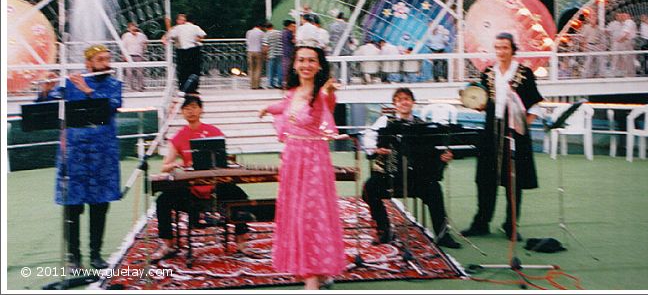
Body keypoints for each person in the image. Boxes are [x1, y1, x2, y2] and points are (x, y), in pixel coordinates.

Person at [258, 44, 345, 290]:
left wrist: (328, 91)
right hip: (293, 158)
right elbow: (283, 107)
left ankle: (313, 274)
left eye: (311, 61)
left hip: (314, 159)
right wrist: (266, 109)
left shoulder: (323, 93)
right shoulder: (293, 92)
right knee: (296, 212)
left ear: (319, 66)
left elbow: (322, 109)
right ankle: (311, 268)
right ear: (295, 65)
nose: (306, 65)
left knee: (313, 213)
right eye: (302, 60)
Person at [460, 33, 543, 242]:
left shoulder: (524, 73)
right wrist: (476, 103)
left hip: (515, 132)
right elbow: (483, 102)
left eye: (505, 47)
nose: (501, 51)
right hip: (491, 132)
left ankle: (511, 225)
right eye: (497, 47)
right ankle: (481, 223)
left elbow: (534, 105)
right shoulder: (488, 73)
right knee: (485, 179)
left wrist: (524, 127)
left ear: (513, 49)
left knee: (513, 180)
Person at [360, 88, 462, 249]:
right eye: (399, 99)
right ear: (395, 104)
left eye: (407, 99)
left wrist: (443, 157)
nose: (404, 102)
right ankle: (384, 230)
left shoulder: (423, 125)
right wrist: (376, 149)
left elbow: (435, 152)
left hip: (416, 177)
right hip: (389, 175)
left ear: (413, 103)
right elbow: (368, 137)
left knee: (434, 189)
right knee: (369, 188)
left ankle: (443, 235)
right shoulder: (385, 121)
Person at [152, 95, 249, 261]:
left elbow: (224, 160)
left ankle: (241, 244)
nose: (191, 111)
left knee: (240, 196)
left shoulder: (213, 131)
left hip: (215, 187)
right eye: (187, 108)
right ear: (182, 112)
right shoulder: (179, 137)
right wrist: (177, 165)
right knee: (163, 200)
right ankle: (168, 244)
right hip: (190, 190)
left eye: (194, 107)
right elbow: (165, 166)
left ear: (201, 110)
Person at [56, 44, 122, 270]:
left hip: (102, 155)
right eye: (100, 60)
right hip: (75, 155)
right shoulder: (71, 83)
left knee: (99, 204)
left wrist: (88, 90)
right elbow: (47, 101)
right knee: (73, 205)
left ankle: (95, 254)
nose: (106, 63)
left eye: (107, 59)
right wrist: (45, 89)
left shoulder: (114, 85)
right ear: (89, 64)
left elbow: (112, 105)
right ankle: (74, 256)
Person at [163, 13, 206, 92]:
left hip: (182, 51)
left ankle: (183, 88)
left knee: (183, 71)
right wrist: (197, 39)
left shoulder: (178, 28)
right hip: (194, 50)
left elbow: (170, 35)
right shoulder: (194, 27)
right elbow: (202, 35)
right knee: (194, 70)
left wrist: (168, 25)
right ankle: (193, 88)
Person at [121, 22, 148, 91]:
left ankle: (140, 86)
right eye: (132, 28)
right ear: (129, 29)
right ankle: (131, 87)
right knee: (129, 72)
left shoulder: (141, 35)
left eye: (135, 28)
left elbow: (145, 44)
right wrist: (124, 55)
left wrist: (143, 51)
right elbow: (123, 46)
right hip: (129, 55)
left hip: (138, 55)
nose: (134, 29)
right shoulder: (126, 36)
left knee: (140, 72)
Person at [263, 22, 283, 89]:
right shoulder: (279, 32)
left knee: (271, 70)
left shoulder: (266, 34)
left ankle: (271, 84)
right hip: (280, 53)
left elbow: (266, 46)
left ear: (266, 28)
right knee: (279, 69)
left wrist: (265, 54)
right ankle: (279, 83)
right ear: (273, 26)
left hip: (271, 54)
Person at [245, 23, 265, 89]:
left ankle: (252, 85)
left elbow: (247, 42)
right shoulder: (261, 33)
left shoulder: (248, 32)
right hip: (258, 51)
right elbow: (263, 43)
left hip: (250, 51)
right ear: (260, 27)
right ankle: (257, 85)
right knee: (258, 69)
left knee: (251, 69)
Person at [281, 19, 296, 89]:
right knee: (289, 69)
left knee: (285, 68)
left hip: (285, 52)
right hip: (290, 52)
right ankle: (288, 84)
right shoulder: (289, 32)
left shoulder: (283, 32)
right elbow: (294, 41)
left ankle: (285, 83)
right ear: (290, 25)